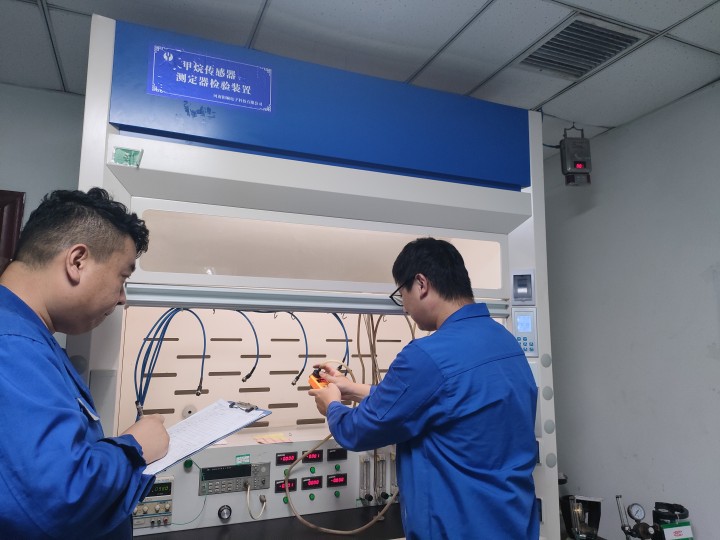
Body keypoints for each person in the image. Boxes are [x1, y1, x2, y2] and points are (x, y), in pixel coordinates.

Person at [309, 237, 539, 539]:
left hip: (459, 530)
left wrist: (332, 405)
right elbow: (440, 400)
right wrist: (352, 389)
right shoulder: (504, 341)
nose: (404, 307)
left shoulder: (427, 355)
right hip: (513, 523)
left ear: (421, 284)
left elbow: (357, 431)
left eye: (401, 294)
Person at [0, 188, 169, 539]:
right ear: (77, 261)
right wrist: (135, 447)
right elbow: (60, 500)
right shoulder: (13, 345)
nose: (122, 298)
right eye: (122, 277)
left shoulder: (29, 337)